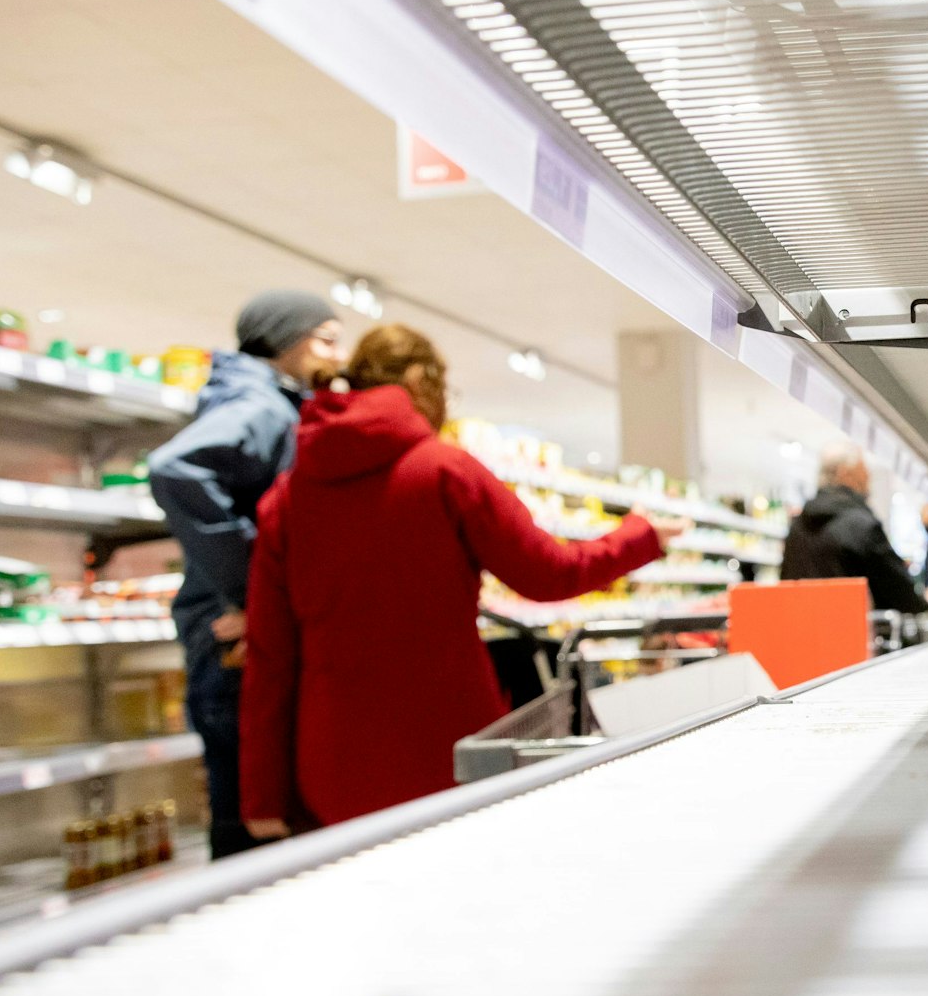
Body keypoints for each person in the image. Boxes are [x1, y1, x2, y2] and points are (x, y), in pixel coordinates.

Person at [238, 324, 676, 834]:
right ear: (425, 381)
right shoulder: (447, 471)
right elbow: (549, 575)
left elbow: (269, 655)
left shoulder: (290, 497)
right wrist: (642, 535)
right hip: (449, 744)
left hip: (333, 759)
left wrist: (262, 798)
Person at [147, 290, 342, 859]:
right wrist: (255, 589)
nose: (337, 354)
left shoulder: (271, 401)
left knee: (254, 821)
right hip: (235, 646)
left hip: (235, 638)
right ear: (287, 340)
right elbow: (174, 468)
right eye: (327, 338)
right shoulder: (259, 404)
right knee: (249, 827)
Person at [780, 443, 928, 613]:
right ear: (845, 474)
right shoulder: (862, 526)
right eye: (864, 472)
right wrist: (925, 605)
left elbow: (787, 586)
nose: (868, 480)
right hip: (856, 635)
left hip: (805, 633)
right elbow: (901, 594)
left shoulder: (798, 526)